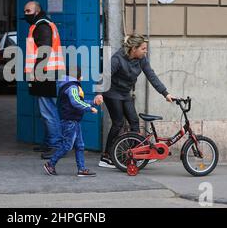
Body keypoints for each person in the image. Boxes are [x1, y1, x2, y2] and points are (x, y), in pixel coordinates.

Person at [99, 34, 175, 169]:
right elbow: (105, 75)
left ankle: (135, 155)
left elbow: (151, 76)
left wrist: (165, 93)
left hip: (125, 93)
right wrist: (99, 94)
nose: (145, 51)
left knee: (134, 121)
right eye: (143, 49)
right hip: (112, 92)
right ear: (134, 49)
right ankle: (106, 156)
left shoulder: (142, 60)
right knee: (118, 123)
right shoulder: (118, 58)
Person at [23, 1, 66, 159]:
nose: (25, 13)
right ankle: (50, 142)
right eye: (25, 11)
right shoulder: (43, 24)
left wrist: (36, 71)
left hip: (46, 73)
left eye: (28, 11)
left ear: (37, 11)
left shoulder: (41, 26)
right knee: (47, 109)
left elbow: (44, 50)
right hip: (49, 72)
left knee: (48, 111)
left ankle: (55, 145)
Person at [43, 67, 103, 177]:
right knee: (67, 146)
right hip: (69, 121)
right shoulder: (72, 87)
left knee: (80, 145)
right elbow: (76, 102)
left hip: (74, 121)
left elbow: (78, 101)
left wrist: (93, 102)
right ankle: (50, 164)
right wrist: (90, 108)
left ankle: (82, 169)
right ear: (79, 77)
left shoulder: (69, 85)